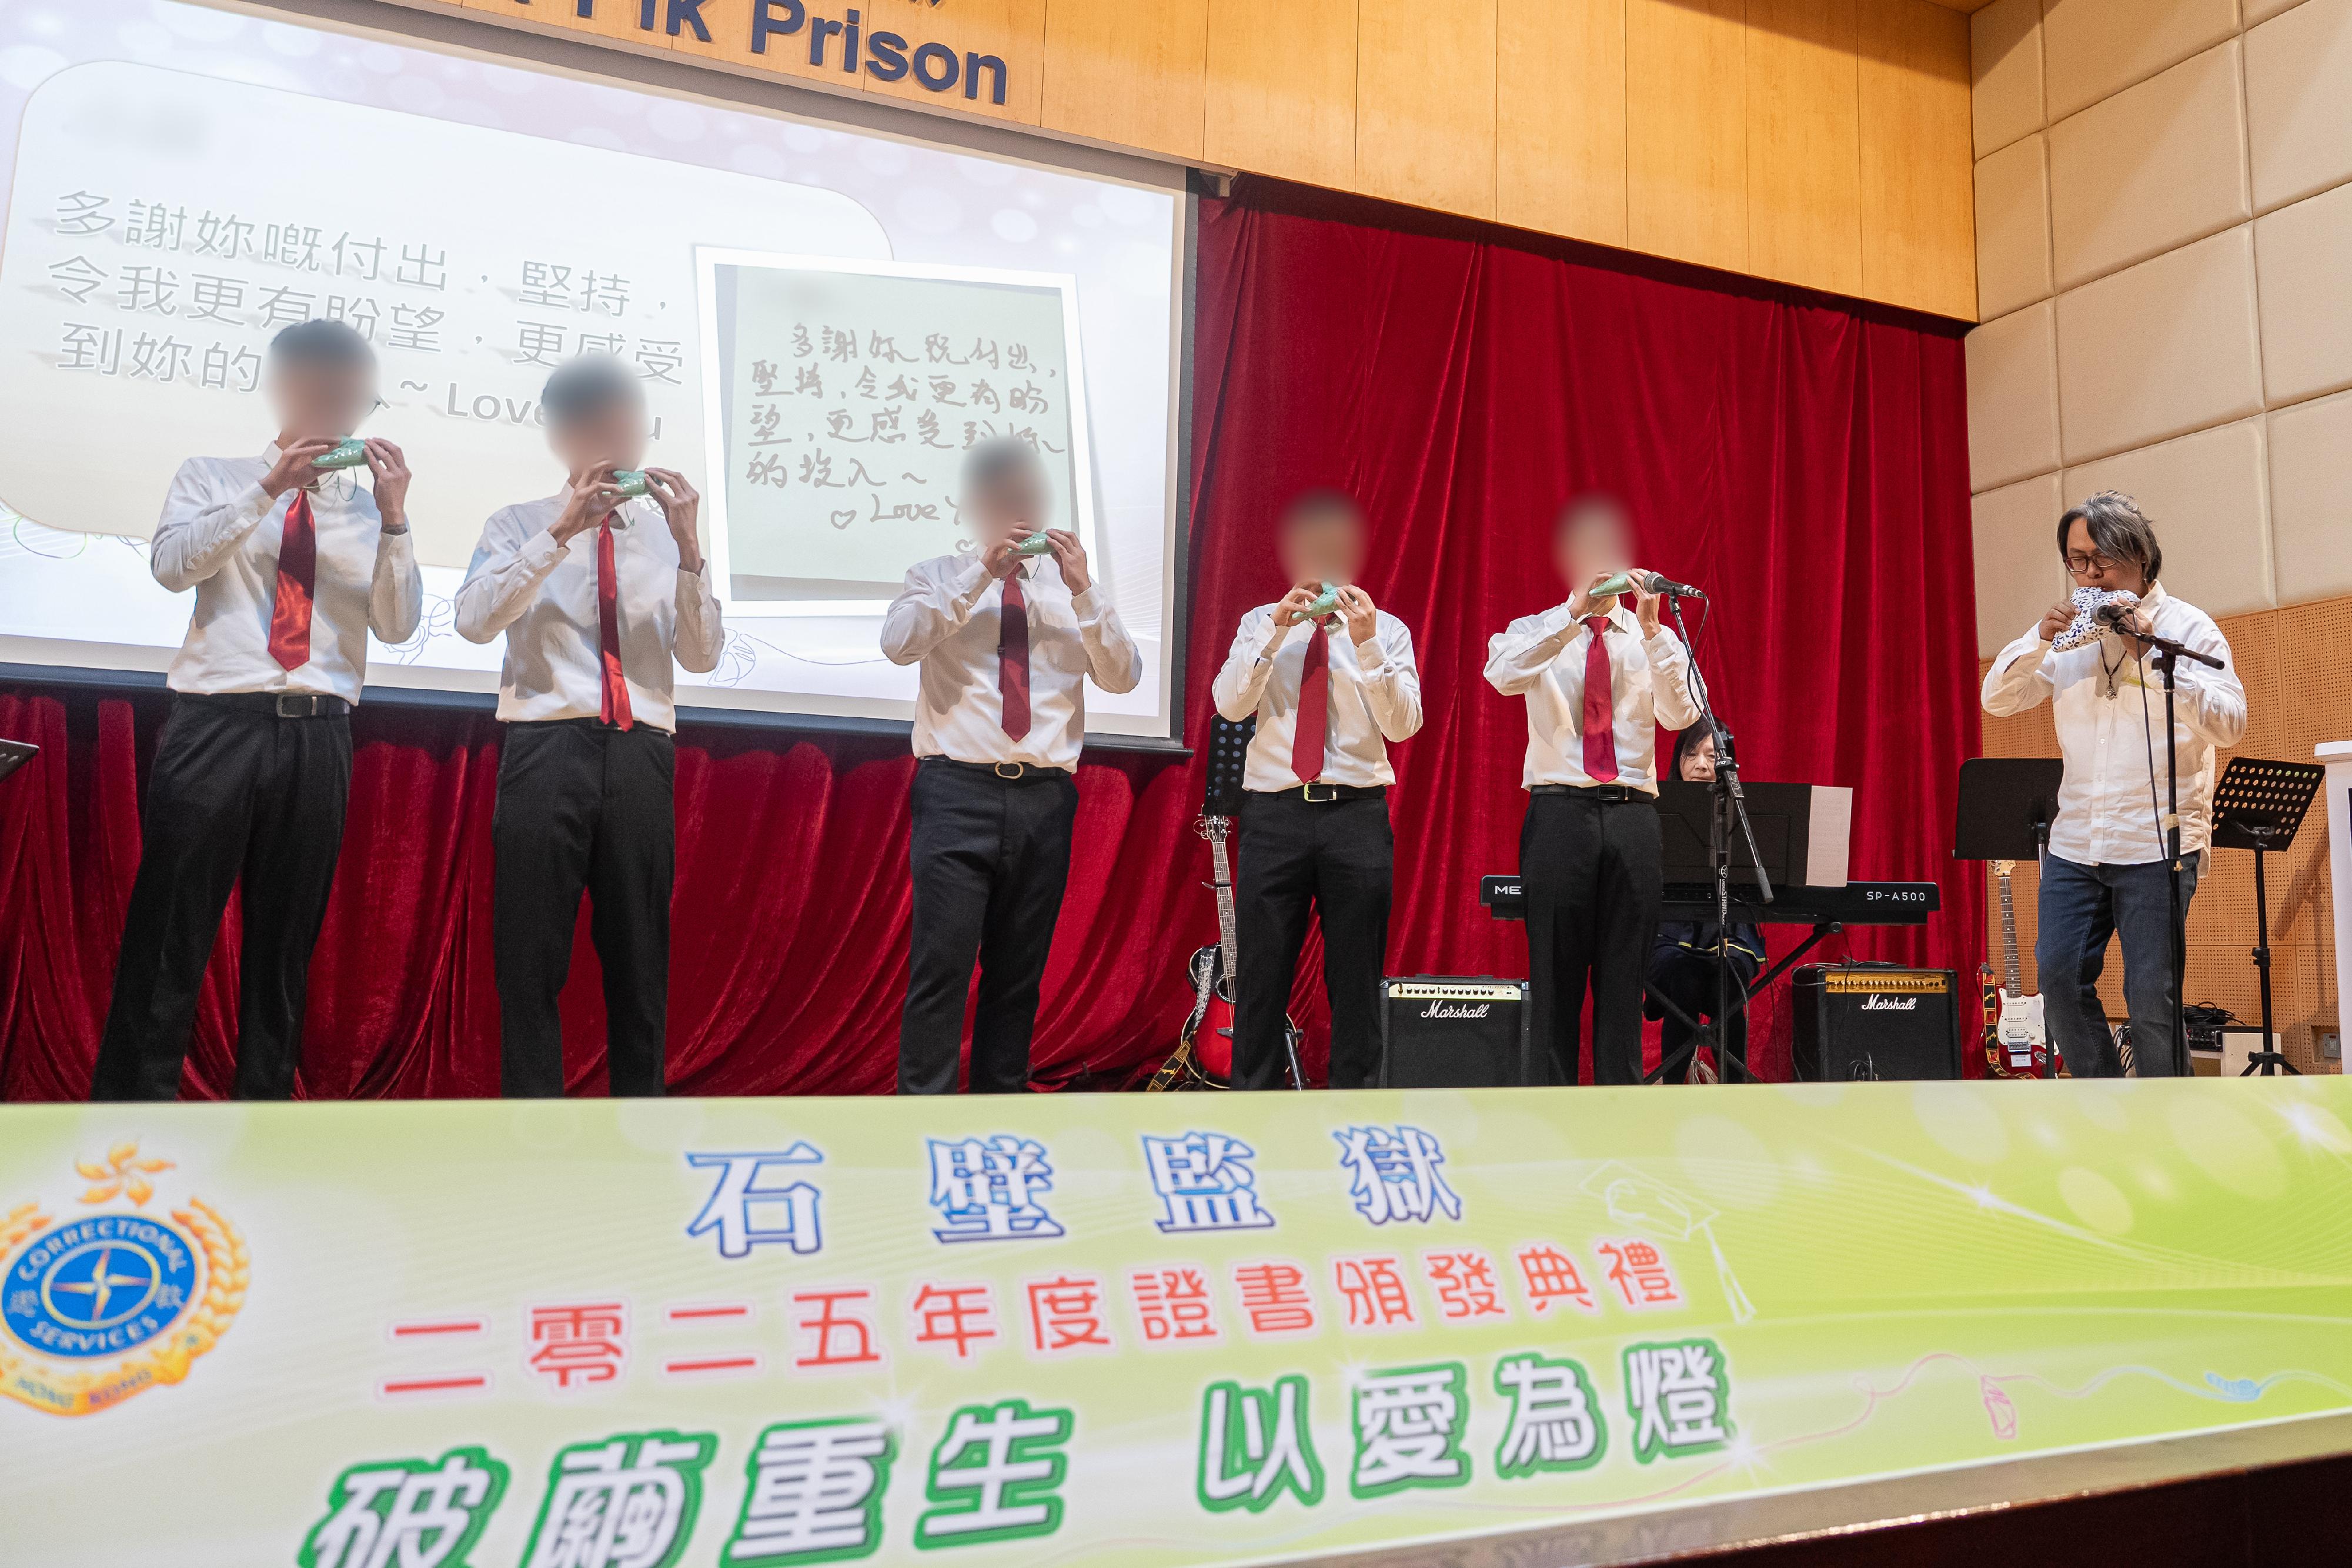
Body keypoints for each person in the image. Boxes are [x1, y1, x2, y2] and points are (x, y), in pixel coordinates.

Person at [90, 319, 422, 1101]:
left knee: (284, 950)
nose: (339, 406)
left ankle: (262, 1126)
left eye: (354, 396)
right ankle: (130, 1122)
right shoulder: (214, 475)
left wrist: (398, 516)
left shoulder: (367, 511)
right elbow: (174, 568)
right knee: (170, 935)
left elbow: (399, 623)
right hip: (217, 724)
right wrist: (269, 487)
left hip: (320, 733)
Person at [454, 356, 721, 1098]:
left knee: (640, 954)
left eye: (627, 421)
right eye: (596, 423)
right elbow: (474, 623)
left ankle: (640, 1117)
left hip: (641, 751)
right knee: (530, 954)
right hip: (547, 745)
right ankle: (533, 1125)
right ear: (562, 434)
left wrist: (692, 552)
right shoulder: (514, 524)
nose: (616, 435)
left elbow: (701, 656)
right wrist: (559, 532)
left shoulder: (671, 536)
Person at [881, 438, 1140, 1094]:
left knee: (1017, 974)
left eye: (1027, 498)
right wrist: (980, 578)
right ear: (973, 507)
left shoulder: (1073, 593)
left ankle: (1000, 1114)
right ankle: (923, 1118)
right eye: (1001, 499)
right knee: (941, 967)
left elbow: (1123, 677)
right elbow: (898, 645)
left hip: (1045, 798)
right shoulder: (937, 575)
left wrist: (1084, 589)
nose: (1016, 510)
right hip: (956, 791)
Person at [1981, 490, 2244, 1078]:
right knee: (2058, 982)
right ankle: (2105, 1109)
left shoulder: (2186, 627)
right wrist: (2037, 640)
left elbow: (2230, 724)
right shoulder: (2070, 634)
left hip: (2158, 844)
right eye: (2077, 561)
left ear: (2141, 556)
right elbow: (1997, 701)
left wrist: (2148, 654)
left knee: (2151, 998)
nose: (2089, 573)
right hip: (2076, 844)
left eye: (2101, 558)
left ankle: (2165, 1127)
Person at [1212, 492, 1422, 1089]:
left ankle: (1351, 1106)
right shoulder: (1260, 622)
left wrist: (1367, 644)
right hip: (1275, 815)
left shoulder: (1388, 632)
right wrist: (1274, 634)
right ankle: (1253, 1101)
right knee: (1260, 973)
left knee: (1355, 978)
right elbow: (1229, 704)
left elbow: (1405, 725)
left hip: (1355, 817)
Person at [1485, 496, 1698, 1085]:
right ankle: (1552, 1109)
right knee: (1553, 978)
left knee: (1623, 976)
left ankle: (1619, 1112)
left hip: (1633, 814)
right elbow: (1501, 676)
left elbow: (1682, 716)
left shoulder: (1647, 638)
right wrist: (1571, 617)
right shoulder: (1538, 629)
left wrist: (1654, 633)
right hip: (1559, 812)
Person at [1646, 724, 1765, 1079]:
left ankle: (1735, 1090)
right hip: (1669, 932)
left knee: (1725, 979)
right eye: (1691, 755)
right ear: (1677, 761)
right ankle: (1673, 1089)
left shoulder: (1747, 817)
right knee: (1683, 976)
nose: (1701, 765)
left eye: (1713, 757)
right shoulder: (1650, 809)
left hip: (1730, 932)